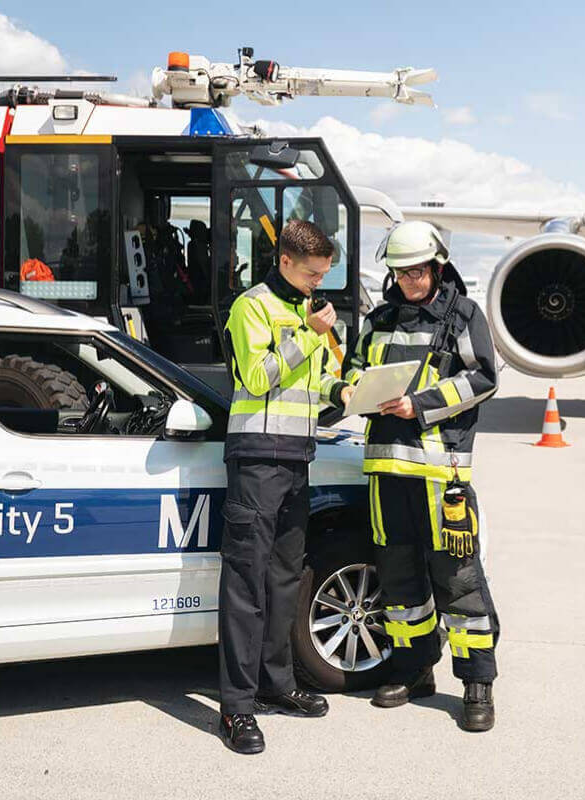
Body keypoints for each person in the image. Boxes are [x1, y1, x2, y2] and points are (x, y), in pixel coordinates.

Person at [339, 220, 500, 732]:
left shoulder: (462, 316)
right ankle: (414, 672)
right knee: (399, 578)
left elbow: (483, 379)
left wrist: (421, 404)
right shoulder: (379, 318)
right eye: (400, 272)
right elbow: (352, 368)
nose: (409, 280)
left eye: (417, 270)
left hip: (440, 474)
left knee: (459, 580)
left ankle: (477, 685)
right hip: (386, 471)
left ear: (437, 265)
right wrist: (352, 391)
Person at [216, 219, 347, 754]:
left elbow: (310, 391)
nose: (320, 282)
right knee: (245, 585)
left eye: (324, 274)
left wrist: (348, 393)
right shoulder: (253, 307)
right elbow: (257, 378)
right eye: (314, 272)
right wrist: (308, 336)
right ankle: (237, 709)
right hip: (256, 461)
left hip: (297, 459)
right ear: (286, 261)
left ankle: (277, 684)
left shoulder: (302, 311)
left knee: (283, 580)